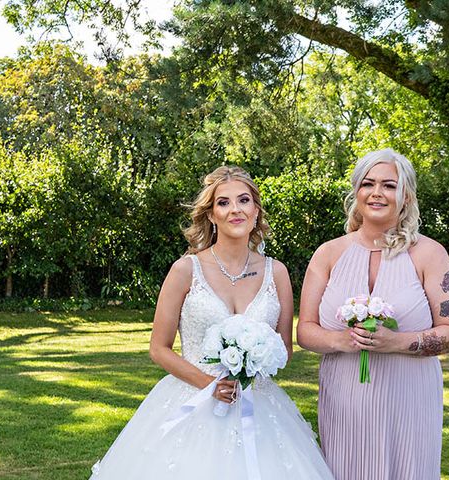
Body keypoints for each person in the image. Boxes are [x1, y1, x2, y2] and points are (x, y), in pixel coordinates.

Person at [89, 166, 334, 480]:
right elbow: (158, 349)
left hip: (259, 404)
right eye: (223, 202)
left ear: (256, 211)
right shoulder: (185, 270)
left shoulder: (278, 273)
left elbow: (283, 348)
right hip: (193, 397)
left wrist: (253, 363)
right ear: (211, 214)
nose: (235, 209)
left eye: (244, 200)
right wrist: (210, 385)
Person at [298, 149, 449, 480]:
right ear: (356, 191)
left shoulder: (430, 254)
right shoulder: (328, 254)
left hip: (409, 399)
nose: (377, 193)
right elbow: (305, 331)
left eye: (389, 185)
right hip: (344, 400)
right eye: (368, 184)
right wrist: (339, 339)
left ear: (406, 196)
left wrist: (397, 342)